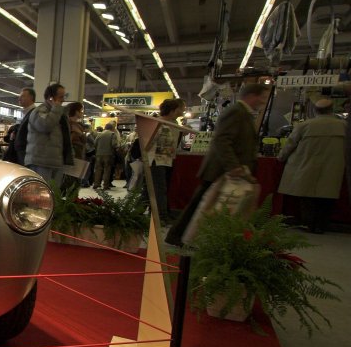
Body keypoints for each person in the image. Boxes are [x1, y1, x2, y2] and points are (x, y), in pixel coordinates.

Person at [166, 82, 272, 246]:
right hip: (221, 170)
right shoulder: (236, 112)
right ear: (252, 96)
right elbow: (222, 140)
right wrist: (233, 166)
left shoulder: (242, 112)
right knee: (200, 205)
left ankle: (183, 236)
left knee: (202, 205)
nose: (263, 101)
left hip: (225, 169)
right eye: (262, 97)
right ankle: (179, 236)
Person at [277, 98, 347, 234]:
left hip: (306, 165)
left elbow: (290, 145)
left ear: (315, 110)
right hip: (333, 168)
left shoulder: (305, 125)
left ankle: (309, 224)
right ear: (331, 110)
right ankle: (321, 225)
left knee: (307, 197)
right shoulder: (343, 126)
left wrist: (281, 158)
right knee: (327, 197)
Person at [25, 82, 72, 186]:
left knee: (54, 195)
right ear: (51, 98)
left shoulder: (59, 113)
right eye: (60, 97)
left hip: (55, 161)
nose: (63, 100)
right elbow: (44, 125)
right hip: (41, 161)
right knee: (40, 195)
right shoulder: (39, 111)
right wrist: (56, 109)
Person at [148, 98, 186, 223]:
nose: (183, 111)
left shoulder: (173, 124)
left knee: (158, 188)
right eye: (181, 108)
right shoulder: (157, 123)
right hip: (156, 160)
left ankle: (157, 213)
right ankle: (160, 216)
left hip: (167, 160)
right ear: (173, 110)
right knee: (159, 188)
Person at [1, 87, 36, 164]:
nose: (19, 98)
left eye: (23, 96)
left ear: (31, 97)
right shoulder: (27, 113)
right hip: (22, 152)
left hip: (26, 153)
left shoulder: (34, 113)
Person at [62, 101, 87, 193]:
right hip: (74, 156)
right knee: (71, 183)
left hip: (78, 155)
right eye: (81, 111)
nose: (82, 113)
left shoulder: (76, 124)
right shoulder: (70, 124)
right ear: (76, 111)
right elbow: (69, 141)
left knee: (75, 182)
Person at [92, 122, 119, 190]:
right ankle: (105, 185)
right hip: (108, 154)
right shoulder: (112, 134)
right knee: (107, 170)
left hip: (99, 154)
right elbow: (114, 144)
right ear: (112, 128)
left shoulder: (99, 134)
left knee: (98, 169)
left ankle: (96, 184)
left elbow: (95, 143)